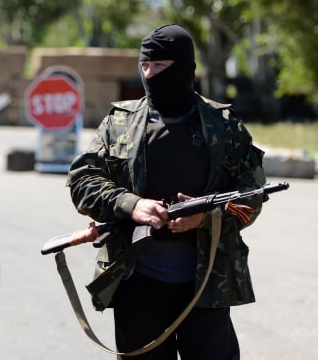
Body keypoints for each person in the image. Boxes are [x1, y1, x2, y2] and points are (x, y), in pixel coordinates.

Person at [66, 24, 267, 360]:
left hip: (205, 286)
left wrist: (206, 217)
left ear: (186, 69)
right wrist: (130, 204)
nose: (149, 74)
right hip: (136, 282)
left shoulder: (224, 126)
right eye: (144, 66)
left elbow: (253, 194)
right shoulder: (119, 123)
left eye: (160, 67)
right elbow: (82, 180)